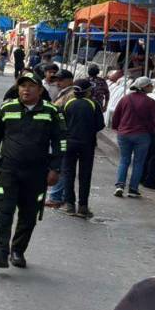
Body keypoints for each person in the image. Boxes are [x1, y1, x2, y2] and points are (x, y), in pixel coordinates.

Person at [0, 72, 65, 269]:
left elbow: (60, 142)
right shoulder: (7, 108)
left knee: (28, 215)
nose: (25, 89)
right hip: (9, 170)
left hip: (36, 173)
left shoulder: (51, 111)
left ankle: (18, 251)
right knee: (4, 210)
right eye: (22, 86)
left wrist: (55, 169)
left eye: (30, 86)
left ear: (40, 89)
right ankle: (1, 251)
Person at [112, 77, 155, 198]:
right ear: (146, 87)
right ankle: (133, 189)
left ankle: (120, 186)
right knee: (138, 162)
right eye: (150, 85)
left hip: (124, 134)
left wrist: (118, 129)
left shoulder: (125, 99)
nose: (152, 87)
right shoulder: (150, 102)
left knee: (124, 160)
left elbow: (116, 116)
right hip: (142, 136)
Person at [60, 79, 105, 218]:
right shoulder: (93, 104)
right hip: (87, 144)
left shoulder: (68, 103)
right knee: (85, 175)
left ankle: (69, 205)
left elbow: (61, 122)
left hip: (69, 143)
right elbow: (100, 125)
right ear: (87, 91)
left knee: (68, 173)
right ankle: (83, 207)